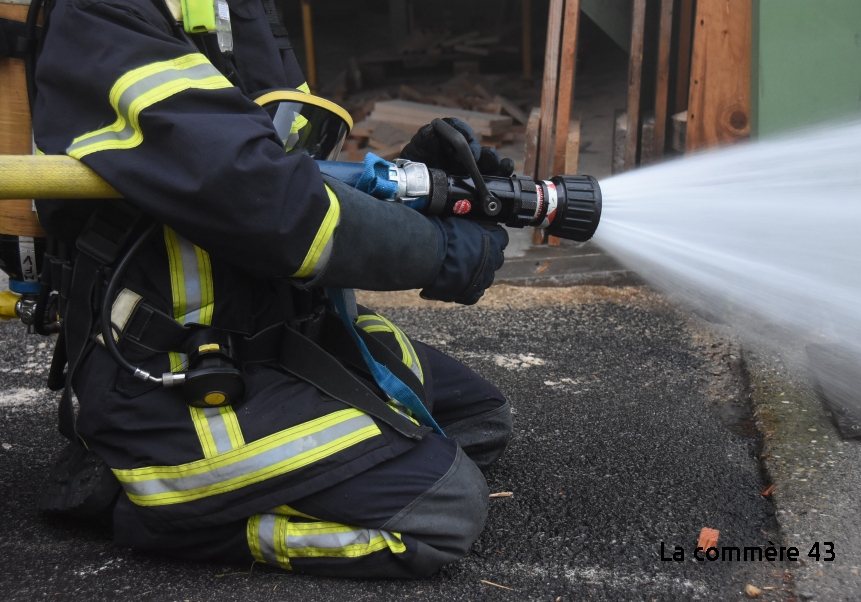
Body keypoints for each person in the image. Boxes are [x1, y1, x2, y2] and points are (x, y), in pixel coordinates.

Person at [31, 0, 513, 578]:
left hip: (270, 333)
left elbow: (290, 162)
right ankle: (152, 512)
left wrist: (415, 184)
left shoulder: (237, 11)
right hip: (171, 375)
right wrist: (434, 250)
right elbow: (258, 199)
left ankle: (266, 478)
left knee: (479, 416)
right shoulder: (104, 12)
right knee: (444, 510)